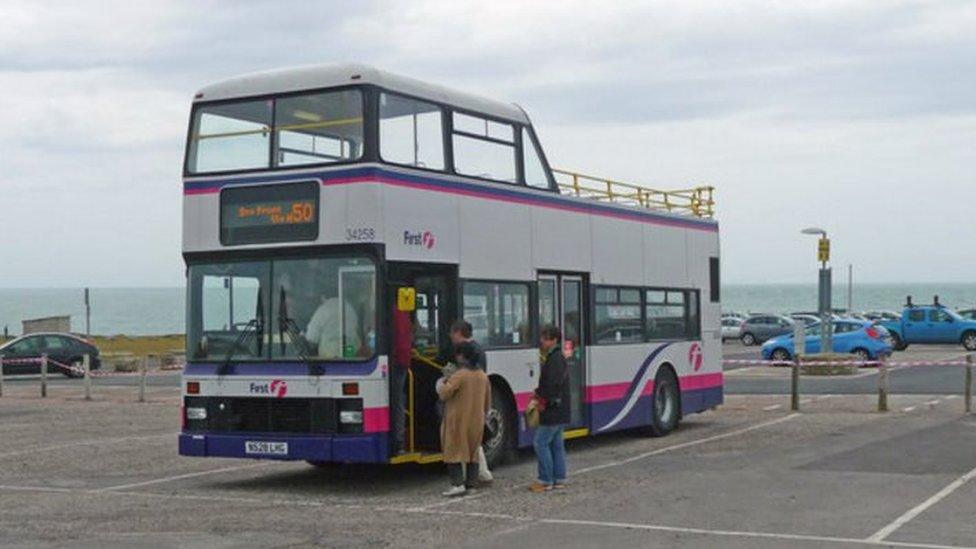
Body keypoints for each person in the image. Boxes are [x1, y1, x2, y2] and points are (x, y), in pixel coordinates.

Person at [436, 341, 491, 497]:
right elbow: (488, 401)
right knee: (473, 452)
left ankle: (457, 483)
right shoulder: (482, 376)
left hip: (457, 419)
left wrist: (443, 381)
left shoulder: (460, 375)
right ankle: (471, 484)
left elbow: (444, 393)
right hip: (477, 420)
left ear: (461, 356)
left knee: (453, 450)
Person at [447, 319, 493, 483]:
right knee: (473, 442)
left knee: (467, 443)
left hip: (467, 405)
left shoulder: (471, 352)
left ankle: (478, 474)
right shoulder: (478, 349)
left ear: (458, 332)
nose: (450, 336)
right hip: (475, 405)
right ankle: (479, 475)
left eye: (452, 332)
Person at [529, 324, 570, 493]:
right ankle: (559, 478)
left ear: (553, 340)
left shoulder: (554, 359)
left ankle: (545, 480)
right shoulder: (559, 357)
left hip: (552, 409)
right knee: (557, 444)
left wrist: (540, 397)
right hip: (561, 409)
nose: (541, 341)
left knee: (541, 442)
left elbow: (552, 384)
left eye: (545, 338)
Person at [390, 300, 414, 454]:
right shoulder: (402, 312)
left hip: (396, 362)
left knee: (396, 400)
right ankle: (398, 441)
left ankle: (397, 441)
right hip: (402, 361)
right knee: (398, 401)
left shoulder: (391, 312)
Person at [305, 292, 360, 359]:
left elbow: (311, 337)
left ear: (323, 297)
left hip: (330, 355)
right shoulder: (350, 308)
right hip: (350, 351)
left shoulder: (323, 310)